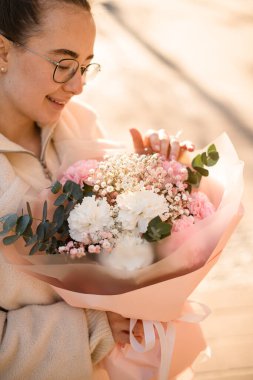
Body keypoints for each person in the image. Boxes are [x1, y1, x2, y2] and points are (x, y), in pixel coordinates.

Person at [0, 1, 193, 379]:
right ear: (2, 51)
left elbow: (125, 255)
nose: (78, 86)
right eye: (63, 64)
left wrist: (156, 180)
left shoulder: (80, 122)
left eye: (86, 66)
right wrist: (90, 328)